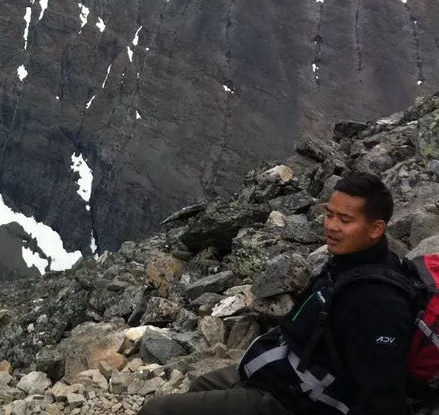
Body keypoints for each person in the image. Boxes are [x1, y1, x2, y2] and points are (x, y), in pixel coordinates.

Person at [139, 171, 411, 415]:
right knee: (201, 384)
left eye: (345, 219)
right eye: (329, 214)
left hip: (294, 401)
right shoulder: (345, 263)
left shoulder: (380, 303)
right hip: (282, 374)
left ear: (376, 229)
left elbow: (385, 401)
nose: (331, 226)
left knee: (157, 410)